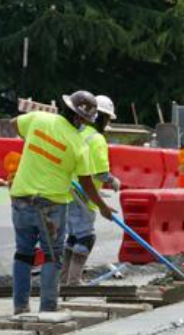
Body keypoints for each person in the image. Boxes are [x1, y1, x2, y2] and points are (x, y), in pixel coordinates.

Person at [10, 91, 114, 315]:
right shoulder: (79, 144)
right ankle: (47, 309)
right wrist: (104, 208)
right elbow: (87, 183)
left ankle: (20, 307)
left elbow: (14, 124)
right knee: (52, 257)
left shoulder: (38, 119)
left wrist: (37, 146)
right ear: (79, 118)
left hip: (21, 198)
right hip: (52, 204)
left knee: (23, 254)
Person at [63, 95, 120, 285]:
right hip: (83, 193)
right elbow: (100, 173)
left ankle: (65, 277)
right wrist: (113, 181)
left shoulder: (76, 131)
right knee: (86, 237)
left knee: (73, 236)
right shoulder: (97, 139)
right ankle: (73, 279)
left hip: (66, 189)